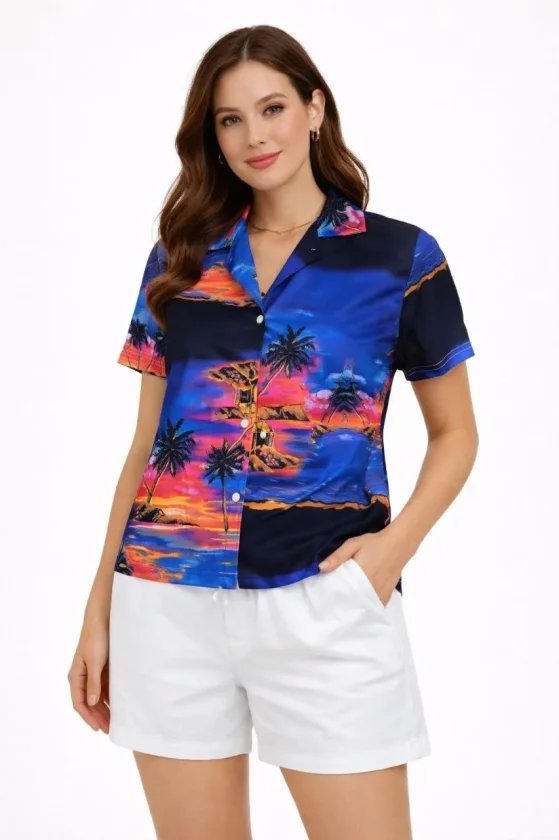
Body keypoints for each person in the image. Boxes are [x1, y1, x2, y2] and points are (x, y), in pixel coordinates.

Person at [68, 23, 478, 840]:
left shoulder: (399, 258)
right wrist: (99, 607)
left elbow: (456, 434)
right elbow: (148, 445)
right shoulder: (178, 260)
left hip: (325, 600)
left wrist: (388, 555)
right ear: (212, 136)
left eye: (272, 108)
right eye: (230, 119)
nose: (254, 135)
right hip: (167, 599)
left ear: (314, 109)